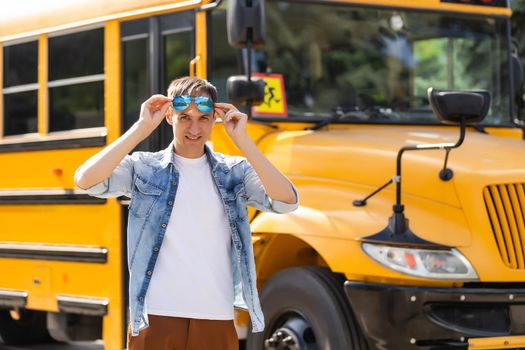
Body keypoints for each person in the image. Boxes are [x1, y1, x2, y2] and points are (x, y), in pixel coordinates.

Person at [74, 76, 299, 350]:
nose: (194, 128)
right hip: (156, 316)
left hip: (215, 316)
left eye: (203, 118)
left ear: (215, 119)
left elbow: (286, 201)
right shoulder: (145, 168)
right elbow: (86, 180)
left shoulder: (234, 172)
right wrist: (140, 128)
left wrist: (243, 140)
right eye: (184, 118)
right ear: (169, 116)